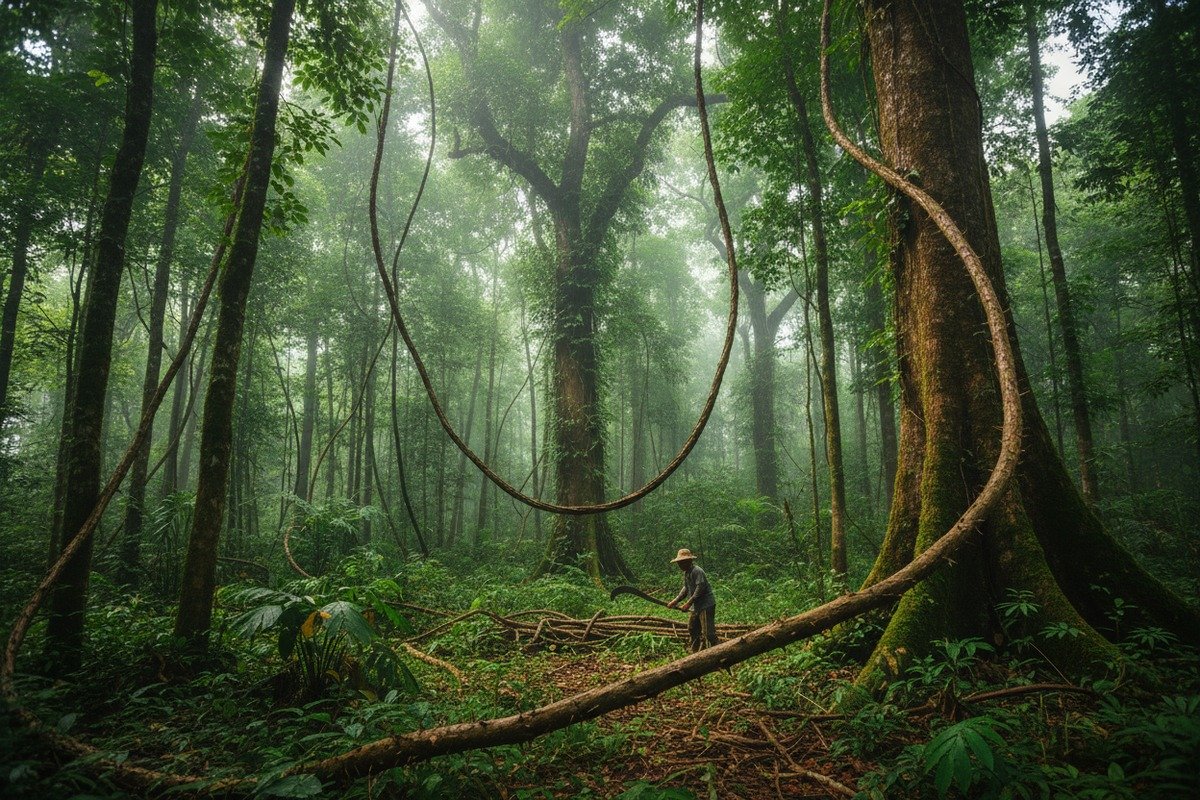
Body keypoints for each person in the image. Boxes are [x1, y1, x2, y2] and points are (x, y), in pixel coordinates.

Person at [665, 548, 717, 652]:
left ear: (689, 561)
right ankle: (695, 651)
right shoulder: (687, 573)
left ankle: (719, 650)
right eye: (679, 563)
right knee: (692, 628)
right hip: (696, 606)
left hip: (706, 605)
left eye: (682, 562)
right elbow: (686, 588)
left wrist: (688, 603)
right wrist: (676, 600)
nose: (680, 565)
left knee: (708, 633)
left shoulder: (697, 571)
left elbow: (700, 588)